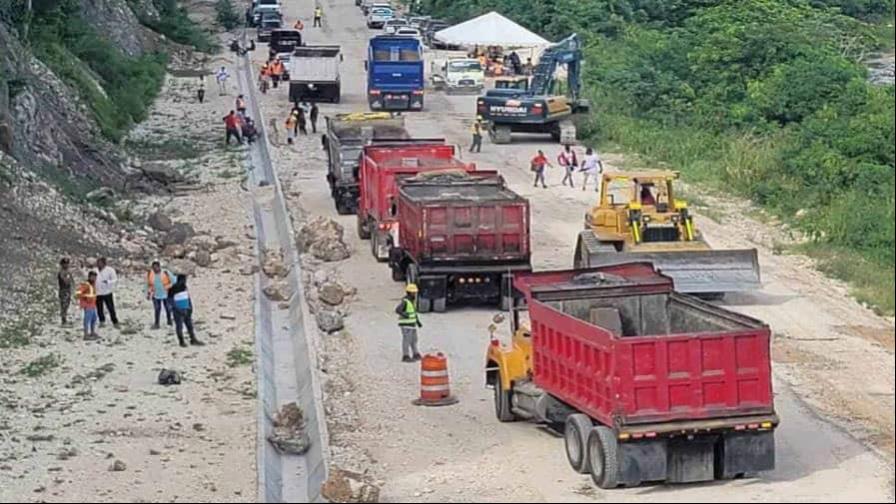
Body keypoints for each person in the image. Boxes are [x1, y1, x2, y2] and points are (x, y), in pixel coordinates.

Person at [167, 274, 204, 348]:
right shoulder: (173, 289)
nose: (184, 281)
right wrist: (177, 309)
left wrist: (190, 307)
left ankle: (193, 339)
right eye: (183, 280)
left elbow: (187, 297)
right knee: (179, 326)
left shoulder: (184, 287)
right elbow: (170, 301)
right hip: (178, 311)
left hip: (186, 309)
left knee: (190, 325)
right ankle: (181, 341)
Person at [395, 283, 422, 362]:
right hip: (406, 325)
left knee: (414, 340)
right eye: (413, 292)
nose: (415, 294)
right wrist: (404, 315)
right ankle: (405, 356)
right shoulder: (405, 301)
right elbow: (398, 310)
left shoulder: (412, 301)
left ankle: (415, 354)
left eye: (415, 292)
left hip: (412, 325)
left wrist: (418, 322)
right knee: (407, 340)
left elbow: (413, 313)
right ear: (409, 292)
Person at [146, 261, 175, 330]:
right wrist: (148, 293)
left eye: (156, 268)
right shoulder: (150, 274)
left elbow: (173, 281)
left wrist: (168, 287)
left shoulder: (165, 273)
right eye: (153, 268)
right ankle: (157, 323)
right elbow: (149, 284)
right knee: (157, 309)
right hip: (155, 294)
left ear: (159, 267)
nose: (155, 269)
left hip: (166, 294)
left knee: (168, 308)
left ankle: (169, 320)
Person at [75, 271, 99, 340]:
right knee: (87, 320)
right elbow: (78, 292)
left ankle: (92, 332)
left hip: (93, 305)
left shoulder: (93, 284)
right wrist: (84, 297)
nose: (94, 278)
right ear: (89, 277)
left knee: (94, 319)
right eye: (92, 277)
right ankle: (86, 334)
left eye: (95, 277)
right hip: (88, 305)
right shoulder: (86, 285)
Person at [95, 257, 119, 329]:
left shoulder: (110, 270)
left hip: (107, 292)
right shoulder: (95, 270)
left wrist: (108, 282)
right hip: (98, 292)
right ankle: (102, 321)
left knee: (110, 307)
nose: (99, 264)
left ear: (104, 263)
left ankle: (115, 321)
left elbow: (115, 279)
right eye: (98, 262)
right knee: (99, 308)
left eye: (100, 262)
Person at [57, 258, 74, 326]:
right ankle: (63, 320)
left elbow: (71, 280)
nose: (66, 265)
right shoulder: (62, 272)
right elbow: (65, 281)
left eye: (67, 263)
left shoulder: (68, 271)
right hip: (63, 290)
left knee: (67, 304)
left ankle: (65, 318)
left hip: (68, 289)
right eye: (65, 264)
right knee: (64, 305)